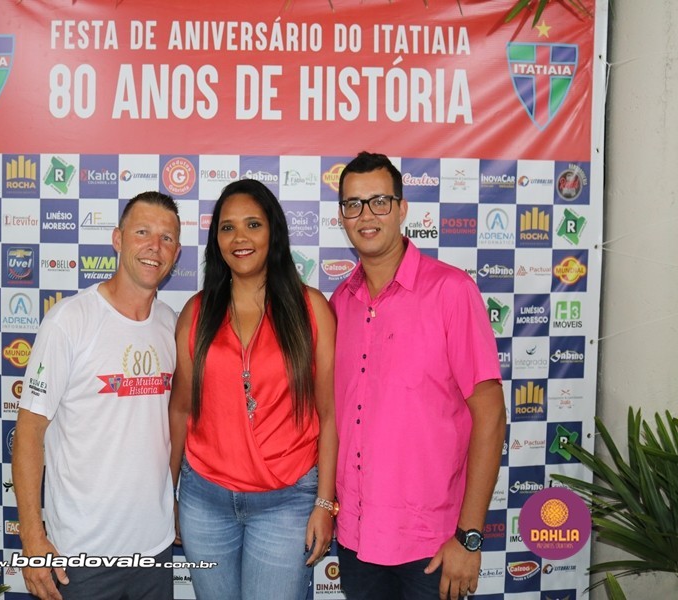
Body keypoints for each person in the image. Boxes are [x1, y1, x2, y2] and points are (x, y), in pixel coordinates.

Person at [331, 152, 506, 600]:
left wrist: (469, 537)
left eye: (379, 202)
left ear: (402, 208)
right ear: (342, 216)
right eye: (353, 204)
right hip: (356, 539)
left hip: (433, 546)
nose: (366, 215)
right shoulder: (340, 302)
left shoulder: (452, 291)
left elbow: (490, 416)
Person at [168, 178, 338, 600]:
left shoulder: (311, 309)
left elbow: (330, 414)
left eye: (253, 225)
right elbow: (180, 410)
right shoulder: (196, 312)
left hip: (287, 503)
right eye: (227, 227)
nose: (239, 238)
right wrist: (166, 495)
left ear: (273, 232)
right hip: (204, 501)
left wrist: (324, 503)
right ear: (216, 240)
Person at [12, 191, 182, 600]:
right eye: (142, 232)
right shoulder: (69, 321)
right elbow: (29, 433)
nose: (154, 247)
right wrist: (33, 539)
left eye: (166, 238)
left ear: (176, 253)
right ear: (118, 239)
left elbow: (172, 427)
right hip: (81, 557)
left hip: (154, 550)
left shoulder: (171, 325)